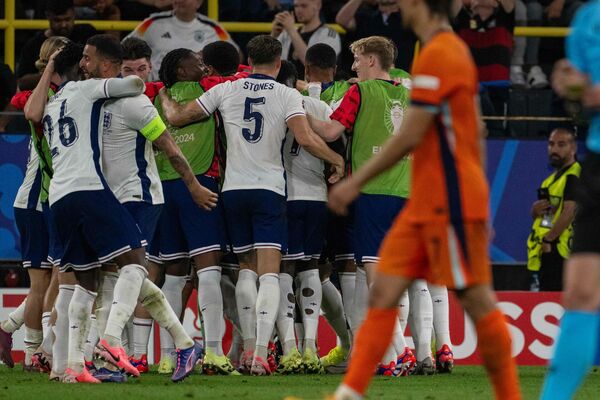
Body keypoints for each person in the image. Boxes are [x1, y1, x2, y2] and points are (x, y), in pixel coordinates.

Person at [324, 0, 522, 396]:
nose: (400, 8)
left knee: (476, 298)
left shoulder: (440, 53)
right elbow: (476, 130)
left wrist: (352, 181)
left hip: (449, 199)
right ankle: (350, 393)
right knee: (383, 290)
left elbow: (411, 134)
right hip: (425, 196)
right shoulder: (447, 51)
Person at [24, 39, 212, 383]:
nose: (84, 63)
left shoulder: (135, 103)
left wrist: (193, 185)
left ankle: (104, 349)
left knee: (120, 276)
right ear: (116, 69)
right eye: (131, 68)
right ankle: (171, 345)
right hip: (99, 196)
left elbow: (167, 146)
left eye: (142, 68)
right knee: (108, 280)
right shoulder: (93, 97)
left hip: (139, 197)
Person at [158, 34, 344, 375]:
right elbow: (305, 138)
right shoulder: (287, 94)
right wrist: (336, 159)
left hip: (233, 190)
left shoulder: (226, 89)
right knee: (270, 273)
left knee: (245, 268)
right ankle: (260, 352)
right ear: (278, 62)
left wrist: (164, 97)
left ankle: (244, 353)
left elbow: (180, 116)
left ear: (249, 58)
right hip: (269, 189)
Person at [307, 36, 419, 375]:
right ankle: (390, 356)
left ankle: (401, 351)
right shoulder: (409, 92)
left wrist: (296, 112)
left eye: (356, 59)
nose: (353, 66)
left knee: (374, 276)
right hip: (406, 191)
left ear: (371, 60)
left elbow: (329, 131)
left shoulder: (360, 92)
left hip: (374, 190)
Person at [541, 2, 600, 399]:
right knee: (580, 292)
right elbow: (585, 90)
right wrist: (568, 82)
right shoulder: (586, 19)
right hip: (598, 163)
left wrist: (583, 87)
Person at [124, 0, 238, 81]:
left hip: (198, 90)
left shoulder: (213, 28)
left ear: (198, 2)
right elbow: (126, 46)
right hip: (157, 87)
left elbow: (235, 54)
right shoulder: (153, 22)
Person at [526, 128, 580, 291]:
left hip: (562, 251)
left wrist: (549, 239)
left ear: (573, 148)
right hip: (548, 251)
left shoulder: (574, 175)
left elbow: (570, 210)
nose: (554, 149)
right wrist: (536, 213)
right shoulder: (549, 181)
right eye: (551, 144)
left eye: (561, 144)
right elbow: (547, 217)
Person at [17, 0, 97, 88]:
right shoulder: (33, 44)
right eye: (57, 20)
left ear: (74, 14)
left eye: (67, 19)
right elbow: (22, 81)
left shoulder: (87, 33)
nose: (63, 25)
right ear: (48, 16)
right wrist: (51, 71)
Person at [335, 0, 417, 73]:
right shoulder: (366, 17)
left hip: (401, 80)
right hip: (368, 81)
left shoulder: (409, 20)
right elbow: (342, 20)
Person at [271, 0, 341, 80]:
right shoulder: (287, 33)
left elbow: (317, 66)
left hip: (315, 90)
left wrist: (291, 30)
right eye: (296, 6)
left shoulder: (329, 34)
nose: (298, 10)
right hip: (286, 89)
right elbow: (267, 62)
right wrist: (274, 35)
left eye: (304, 6)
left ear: (318, 5)